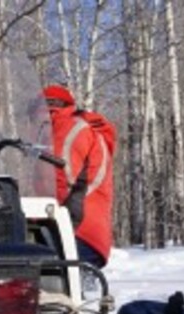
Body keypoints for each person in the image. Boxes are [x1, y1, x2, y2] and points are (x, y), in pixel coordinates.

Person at [43, 84, 118, 269]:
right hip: (88, 234)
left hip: (76, 232)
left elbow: (58, 180)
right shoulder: (74, 127)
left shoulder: (65, 128)